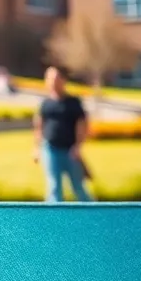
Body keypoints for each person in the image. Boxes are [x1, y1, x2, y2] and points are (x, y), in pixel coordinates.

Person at [34, 66, 92, 202]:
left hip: (70, 150)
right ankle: (54, 214)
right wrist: (36, 148)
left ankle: (92, 212)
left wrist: (78, 146)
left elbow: (82, 125)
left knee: (78, 187)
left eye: (55, 78)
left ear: (63, 80)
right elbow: (39, 126)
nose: (53, 82)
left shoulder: (73, 103)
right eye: (49, 79)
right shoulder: (45, 104)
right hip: (50, 148)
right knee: (53, 186)